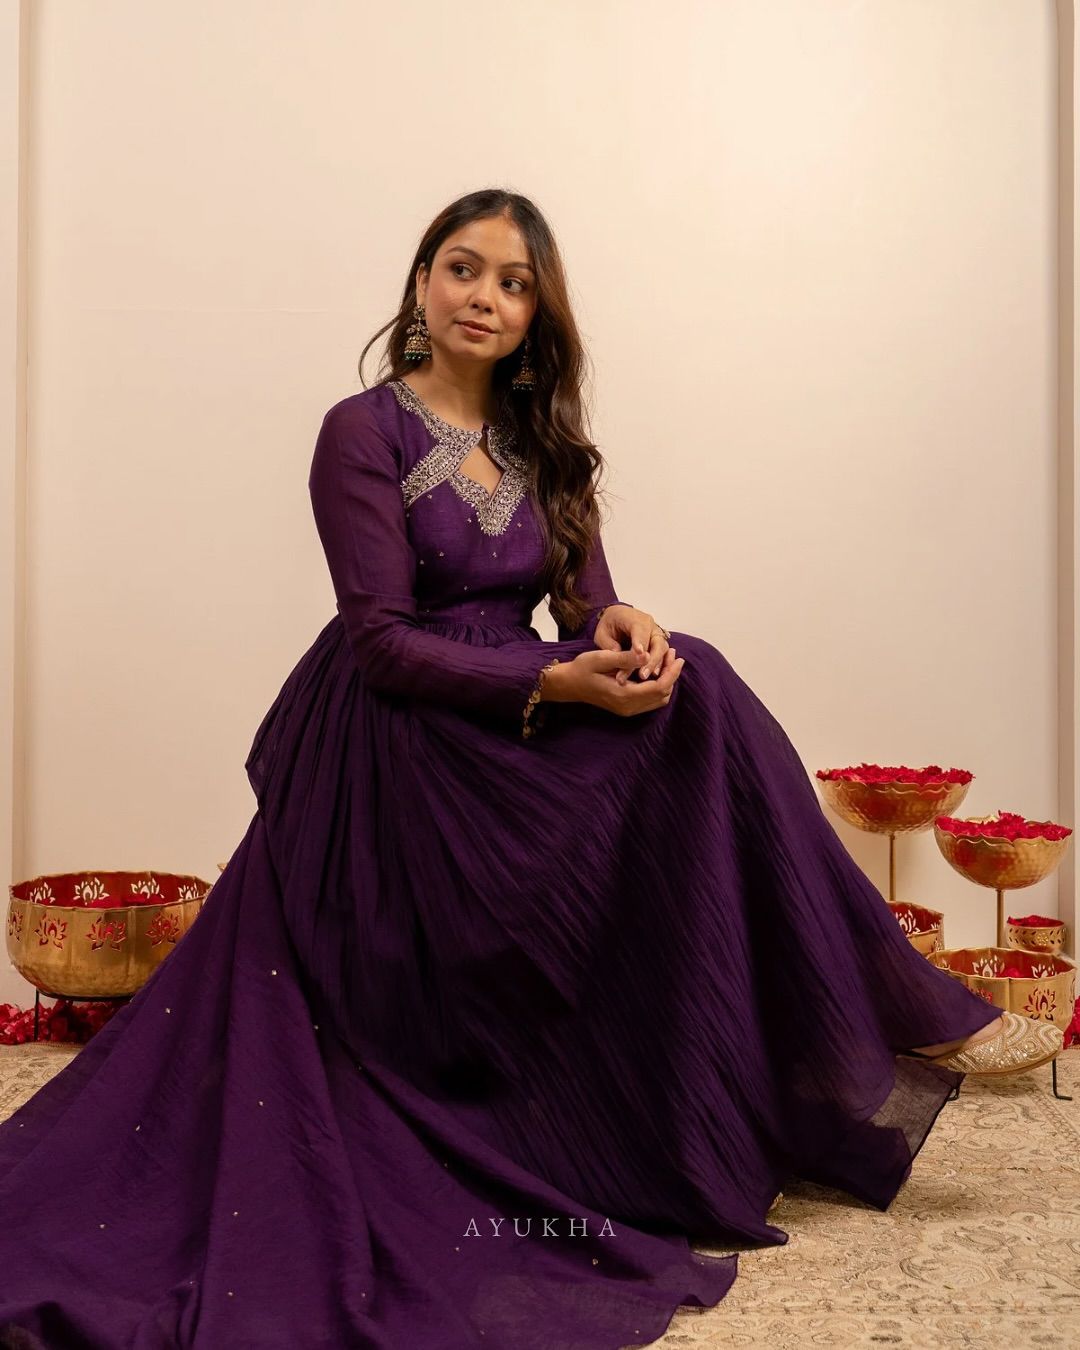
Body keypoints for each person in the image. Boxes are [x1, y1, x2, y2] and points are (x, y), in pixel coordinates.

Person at [0, 188, 1061, 1350]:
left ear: (535, 314)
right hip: (398, 729)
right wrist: (556, 681)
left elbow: (585, 605)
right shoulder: (364, 430)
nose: (484, 298)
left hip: (515, 709)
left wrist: (622, 626)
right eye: (464, 268)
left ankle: (826, 1025)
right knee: (691, 690)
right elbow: (380, 641)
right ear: (421, 281)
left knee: (691, 679)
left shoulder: (542, 441)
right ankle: (902, 997)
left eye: (513, 284)